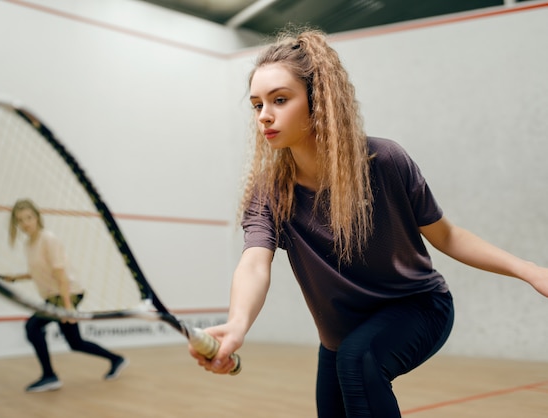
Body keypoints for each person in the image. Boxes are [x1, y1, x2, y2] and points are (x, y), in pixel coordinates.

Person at [189, 28, 548, 417]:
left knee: (358, 362)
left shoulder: (386, 161)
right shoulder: (271, 190)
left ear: (319, 100)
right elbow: (255, 262)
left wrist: (529, 271)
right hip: (340, 337)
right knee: (346, 371)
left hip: (419, 309)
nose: (265, 116)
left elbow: (447, 236)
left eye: (280, 100)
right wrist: (238, 324)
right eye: (257, 105)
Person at [5, 198, 128, 393]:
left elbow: (61, 276)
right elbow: (41, 271)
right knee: (75, 343)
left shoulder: (48, 239)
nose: (25, 223)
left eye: (29, 217)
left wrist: (68, 307)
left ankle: (49, 376)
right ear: (16, 223)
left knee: (32, 327)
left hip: (67, 293)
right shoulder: (29, 244)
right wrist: (16, 278)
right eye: (20, 220)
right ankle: (116, 359)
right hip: (54, 296)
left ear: (37, 217)